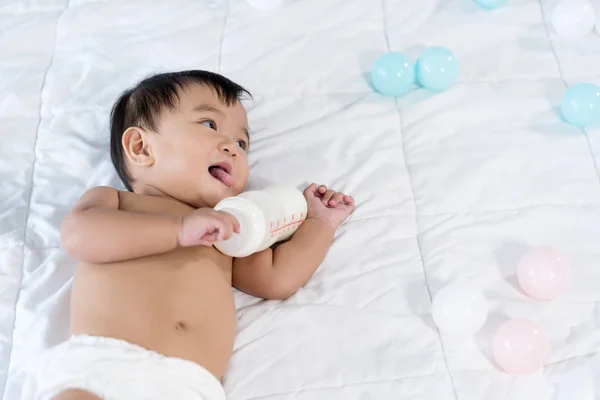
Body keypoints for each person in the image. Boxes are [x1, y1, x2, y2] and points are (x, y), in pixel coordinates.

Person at [23, 70, 355, 400]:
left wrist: (320, 222)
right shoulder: (117, 202)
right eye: (209, 125)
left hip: (188, 385)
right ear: (141, 147)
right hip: (104, 365)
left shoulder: (232, 226)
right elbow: (80, 237)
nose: (233, 148)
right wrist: (179, 231)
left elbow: (275, 280)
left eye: (242, 143)